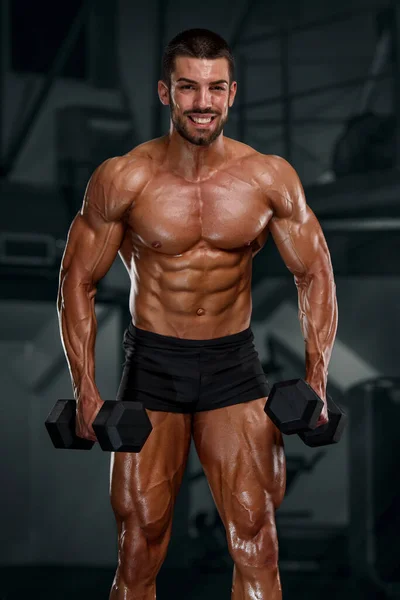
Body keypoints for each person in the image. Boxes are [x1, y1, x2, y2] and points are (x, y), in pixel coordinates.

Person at [57, 28, 337, 600]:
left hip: (233, 364)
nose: (202, 102)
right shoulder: (125, 178)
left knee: (256, 538)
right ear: (166, 92)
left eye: (214, 88)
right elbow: (76, 281)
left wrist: (317, 379)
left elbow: (316, 274)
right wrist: (84, 389)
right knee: (139, 544)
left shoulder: (268, 177)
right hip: (153, 364)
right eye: (188, 87)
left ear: (232, 93)